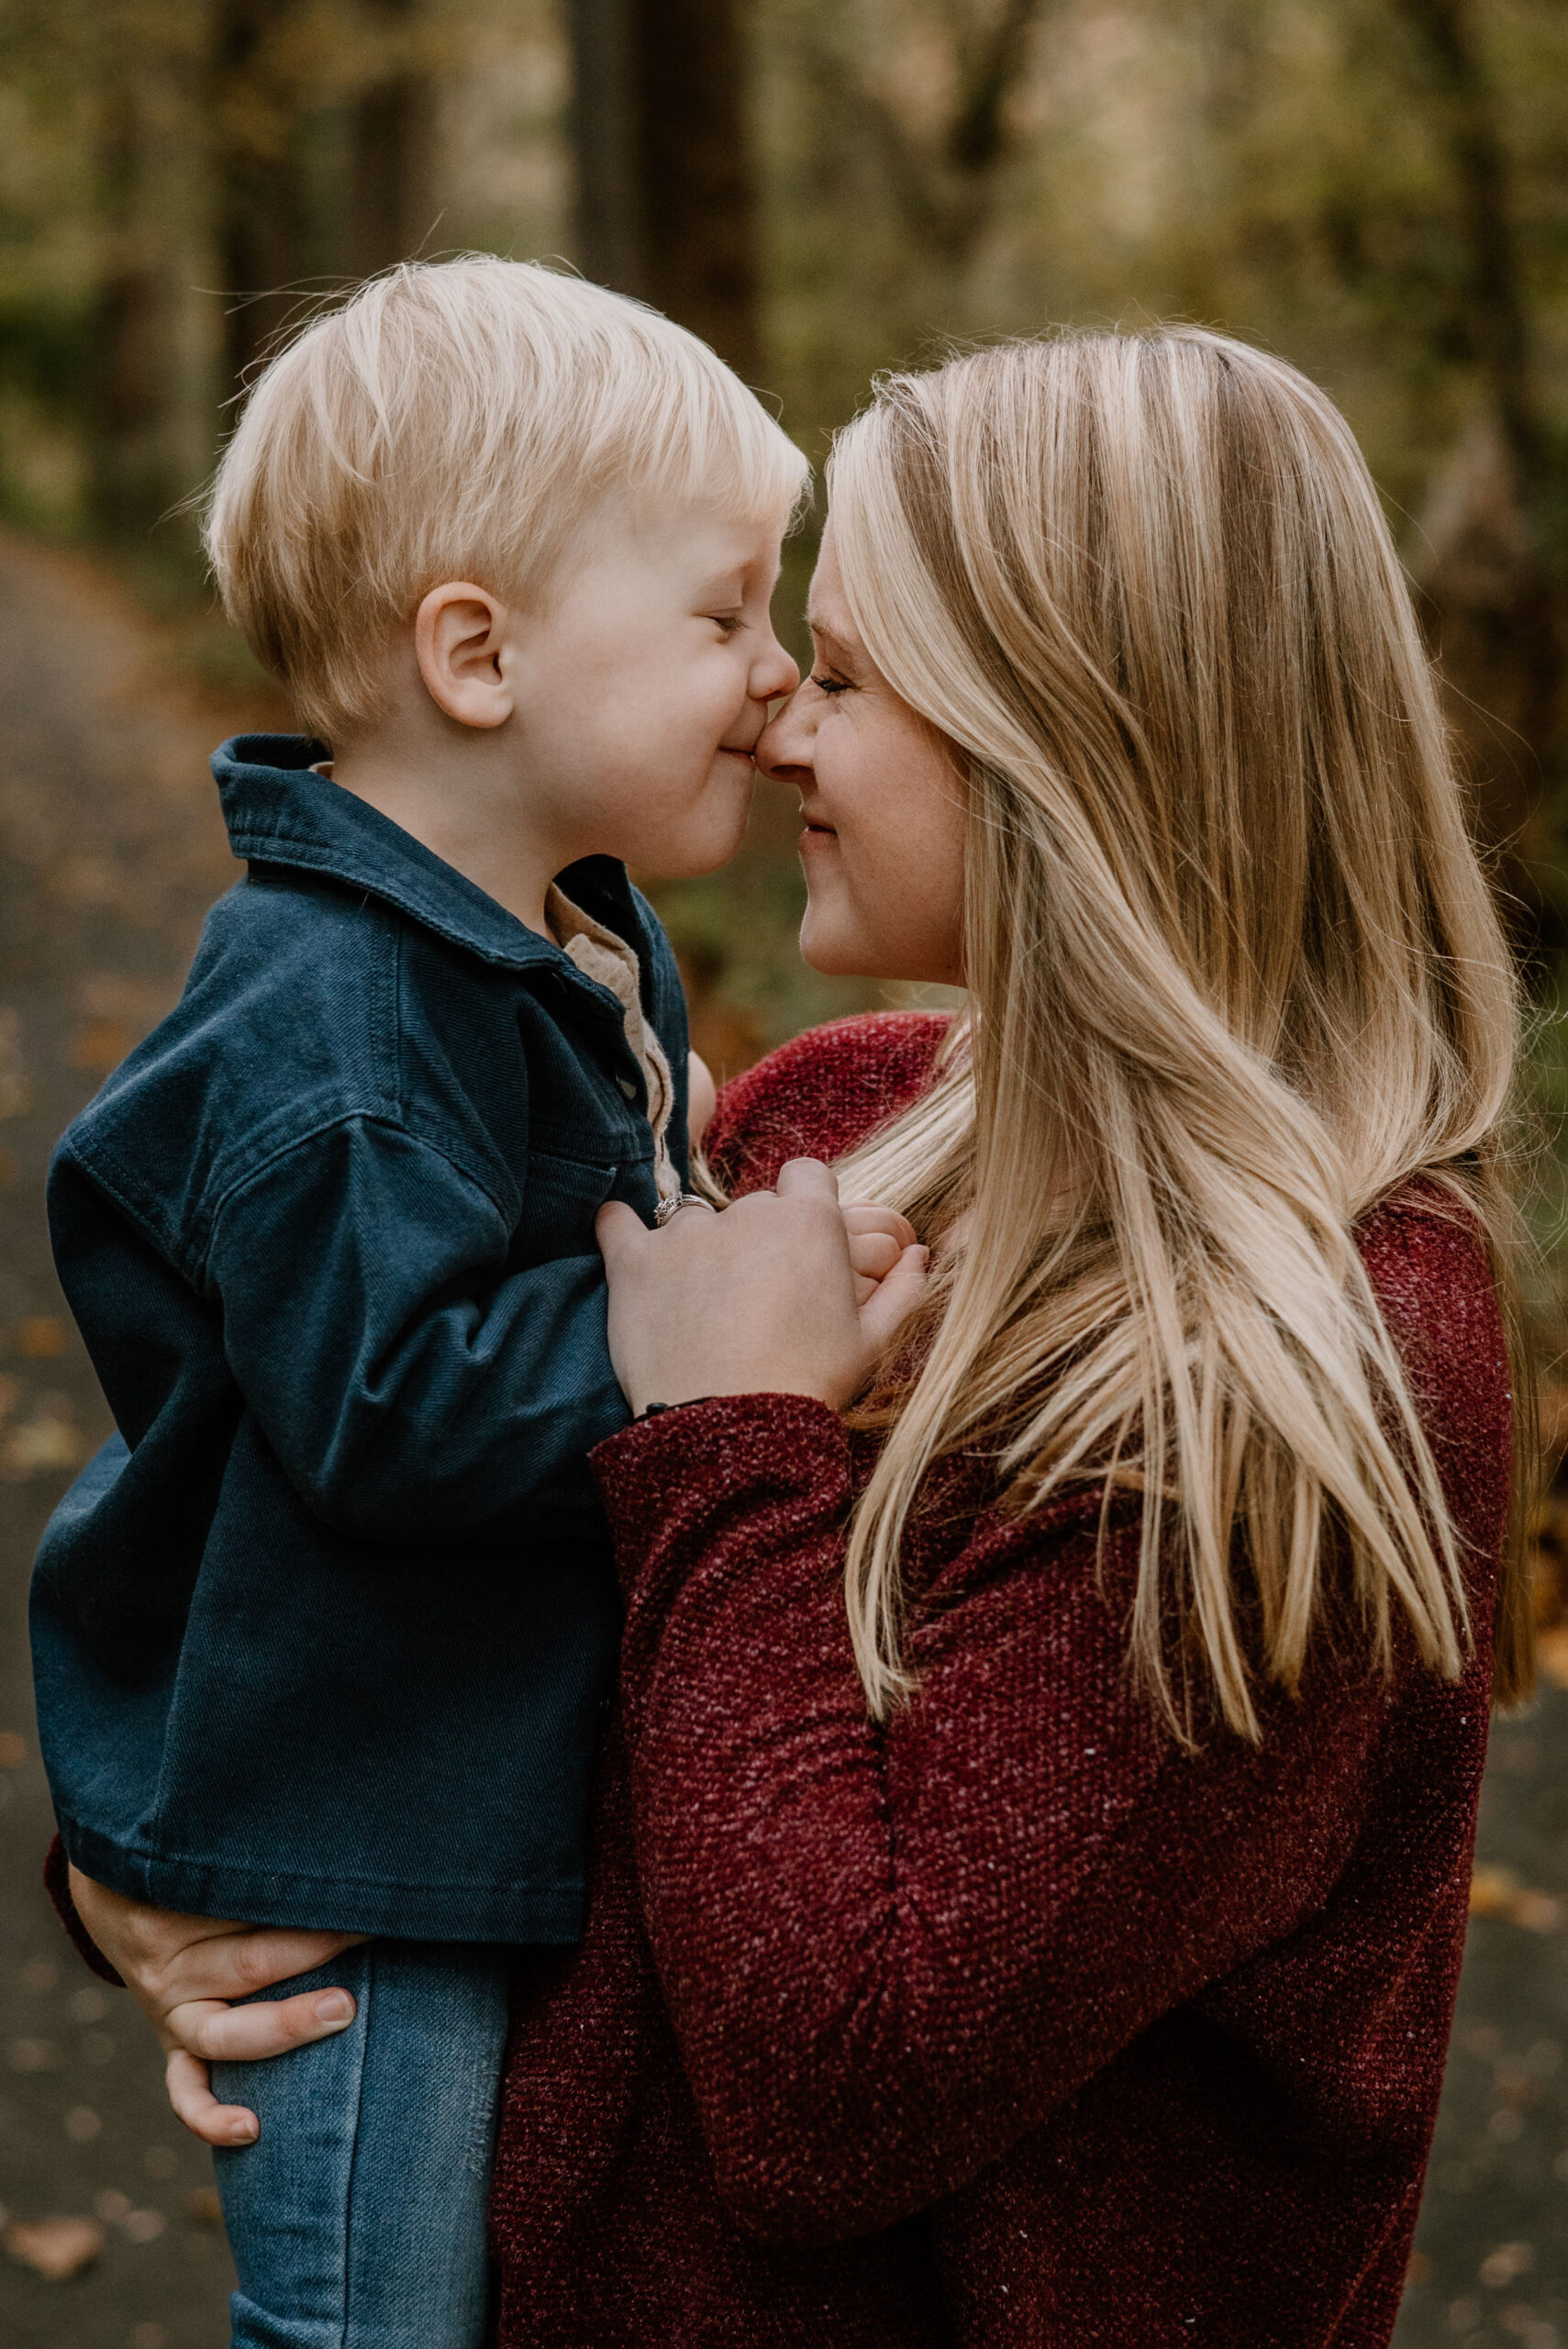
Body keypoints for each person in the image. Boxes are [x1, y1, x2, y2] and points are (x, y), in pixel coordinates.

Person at [61, 328, 1529, 2348]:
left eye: (836, 672)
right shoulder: (832, 1114)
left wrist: (741, 1434)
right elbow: (348, 1457)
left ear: (1070, 740)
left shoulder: (1323, 1346)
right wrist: (179, 1868)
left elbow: (837, 2085)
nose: (779, 726)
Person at [32, 255, 911, 2349]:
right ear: (476, 652)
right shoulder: (337, 1016)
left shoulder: (548, 939)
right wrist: (682, 1325)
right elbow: (385, 1404)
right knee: (374, 2315)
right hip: (359, 1867)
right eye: (721, 616)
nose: (774, 678)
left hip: (460, 1796)